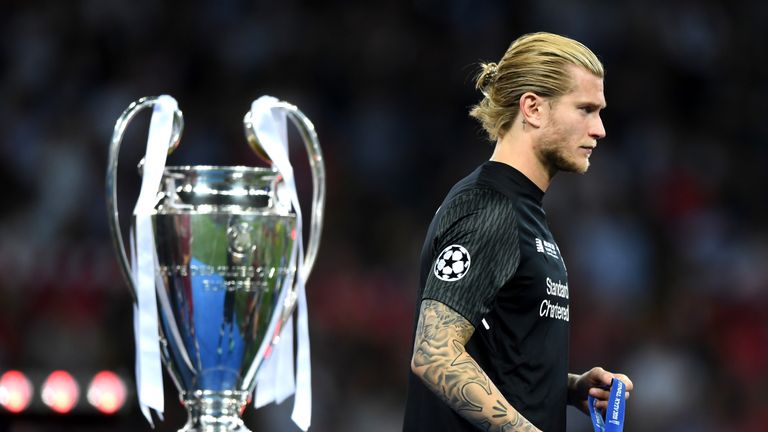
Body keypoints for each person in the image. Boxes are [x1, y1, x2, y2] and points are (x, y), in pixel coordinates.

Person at [402, 32, 634, 432]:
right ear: (533, 108)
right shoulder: (489, 208)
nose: (600, 130)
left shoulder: (523, 211)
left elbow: (498, 354)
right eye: (585, 109)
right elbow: (435, 354)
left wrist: (570, 388)